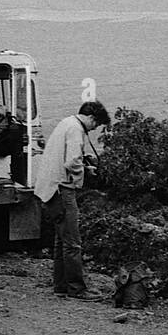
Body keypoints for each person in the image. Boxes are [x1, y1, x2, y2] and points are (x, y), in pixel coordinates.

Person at [33, 100, 110, 298]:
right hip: (62, 190)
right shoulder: (76, 129)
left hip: (49, 189)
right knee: (73, 242)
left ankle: (61, 285)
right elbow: (72, 162)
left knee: (61, 240)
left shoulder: (66, 123)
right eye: (96, 124)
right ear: (92, 118)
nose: (93, 129)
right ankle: (77, 288)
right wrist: (84, 173)